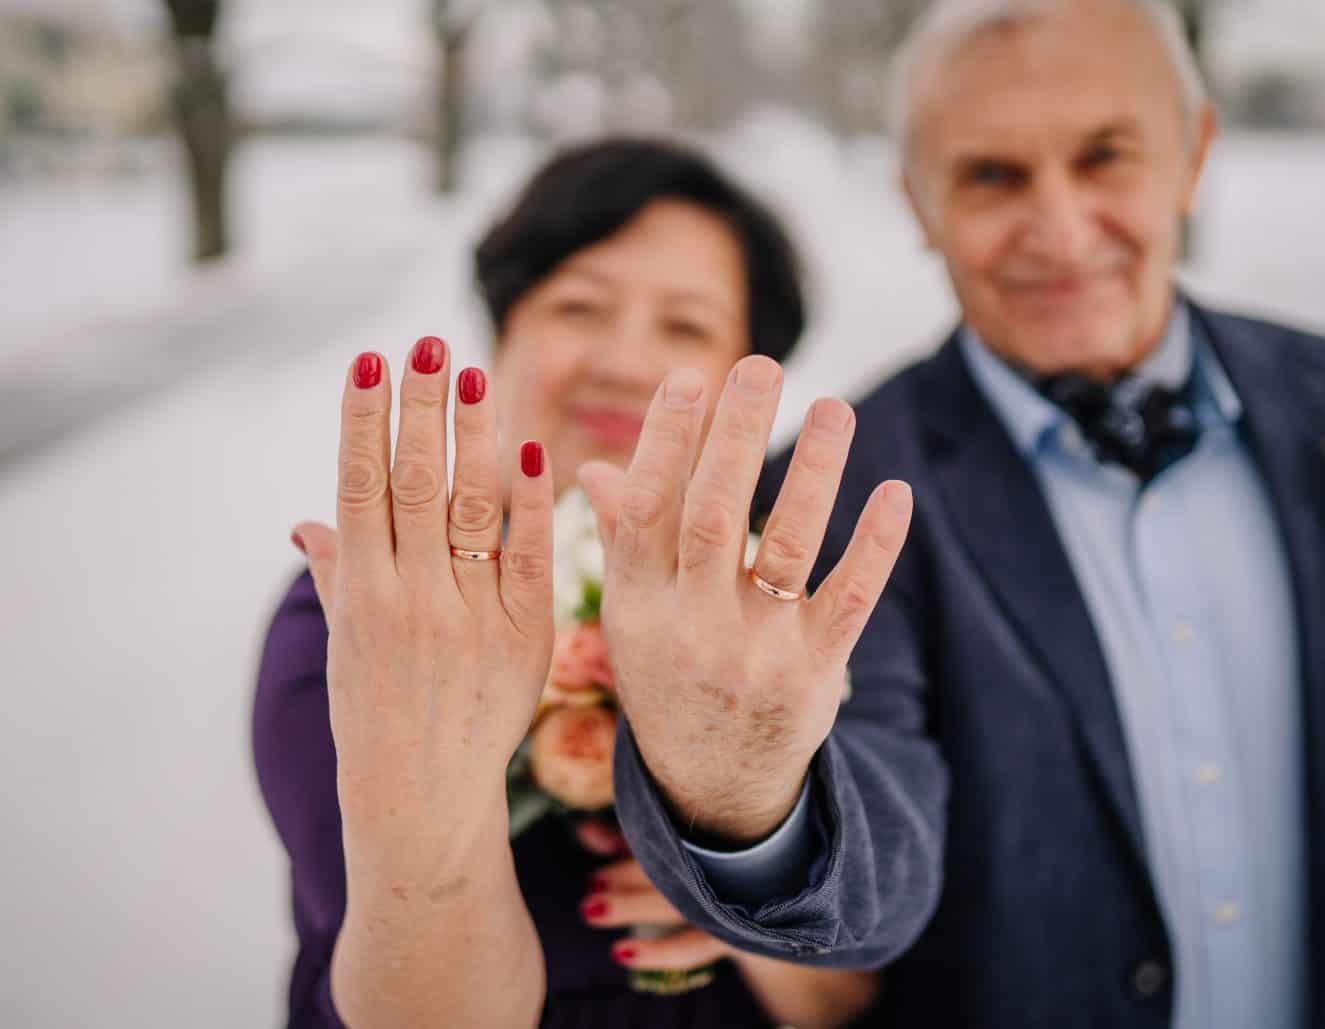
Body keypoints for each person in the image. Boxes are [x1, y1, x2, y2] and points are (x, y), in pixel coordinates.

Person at [598, 1, 1325, 1026]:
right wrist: (750, 795)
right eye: (992, 176)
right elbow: (877, 873)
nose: (1061, 229)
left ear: (1192, 154)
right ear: (917, 201)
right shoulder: (838, 484)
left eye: (1106, 157)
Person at [253, 139, 882, 1028]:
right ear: (505, 334)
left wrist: (744, 884)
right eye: (580, 305)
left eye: (686, 326)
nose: (624, 361)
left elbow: (843, 998)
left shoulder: (804, 624)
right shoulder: (354, 617)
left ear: (753, 374)